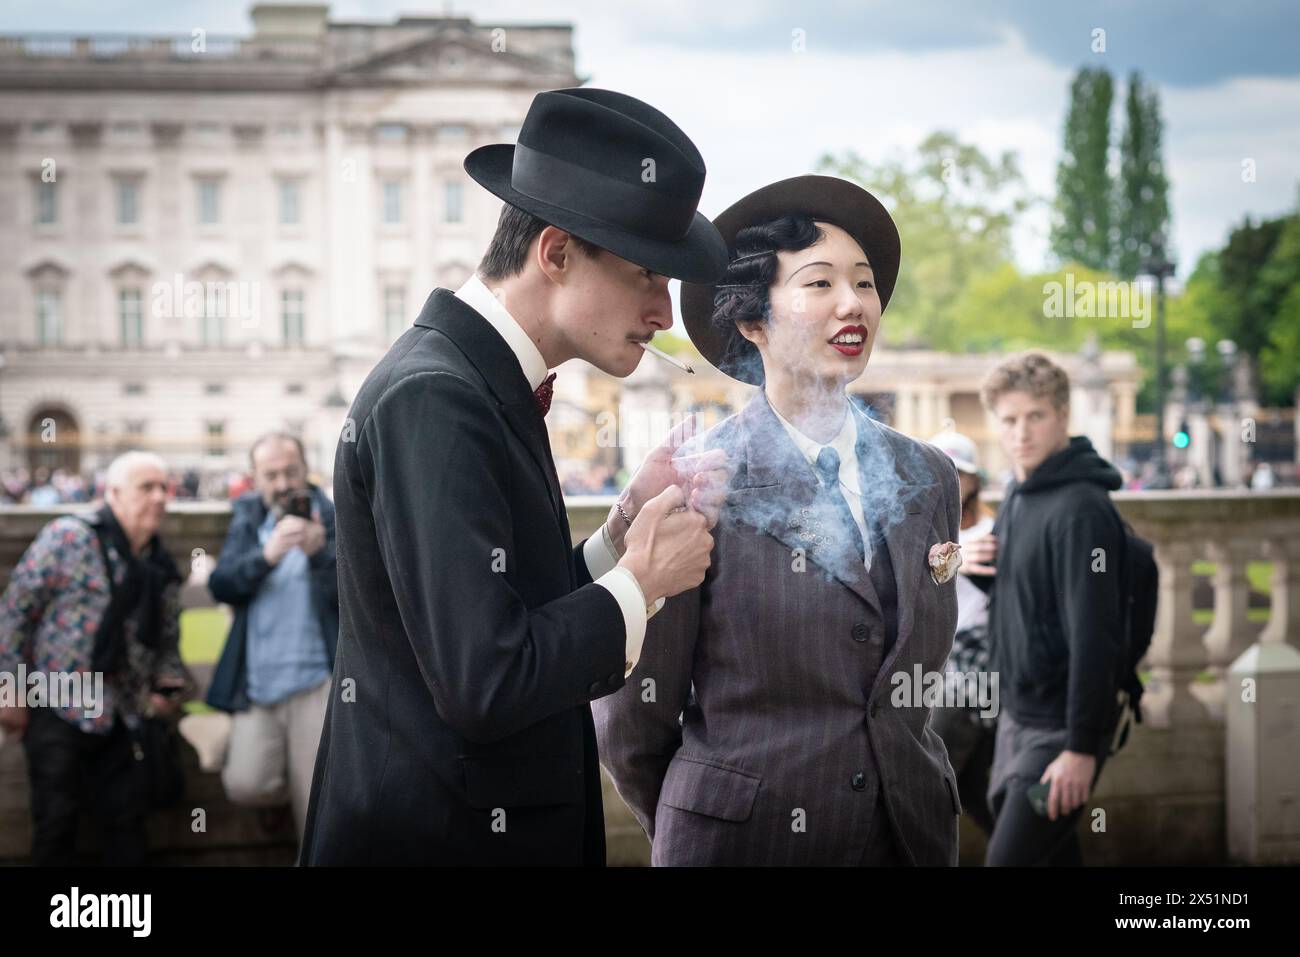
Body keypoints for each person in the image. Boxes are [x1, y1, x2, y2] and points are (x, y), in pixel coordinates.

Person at [300, 88, 729, 866]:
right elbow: (486, 680)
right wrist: (640, 583)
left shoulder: (475, 375)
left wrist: (618, 536)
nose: (664, 312)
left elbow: (502, 610)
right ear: (556, 252)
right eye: (645, 275)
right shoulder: (436, 393)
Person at [593, 175, 964, 866]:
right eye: (819, 284)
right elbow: (632, 722)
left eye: (864, 283)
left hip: (909, 842)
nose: (853, 303)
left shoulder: (930, 476)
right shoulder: (701, 480)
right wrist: (700, 817)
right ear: (752, 320)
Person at [0, 451, 193, 865]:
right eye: (147, 487)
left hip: (124, 716)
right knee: (56, 826)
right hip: (56, 706)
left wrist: (167, 688)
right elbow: (16, 611)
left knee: (128, 833)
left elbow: (167, 647)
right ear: (114, 494)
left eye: (165, 488)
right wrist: (8, 689)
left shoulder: (160, 564)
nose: (160, 497)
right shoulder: (69, 536)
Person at [978, 352, 1127, 866]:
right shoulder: (1020, 491)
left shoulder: (1082, 509)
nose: (1021, 432)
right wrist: (974, 563)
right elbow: (1023, 594)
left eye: (1035, 416)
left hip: (1060, 730)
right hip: (1017, 717)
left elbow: (1095, 635)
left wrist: (1082, 748)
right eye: (1010, 420)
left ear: (1062, 416)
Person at [205, 432, 338, 849]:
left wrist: (321, 554)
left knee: (318, 808)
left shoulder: (332, 515)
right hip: (258, 684)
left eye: (290, 472)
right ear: (256, 479)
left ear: (305, 469)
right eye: (271, 475)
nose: (282, 484)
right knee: (247, 784)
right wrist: (265, 558)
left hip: (319, 682)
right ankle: (274, 802)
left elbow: (361, 592)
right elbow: (222, 585)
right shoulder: (247, 518)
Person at [926, 429, 998, 838]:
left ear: (975, 480)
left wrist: (958, 561)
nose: (951, 479)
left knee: (934, 779)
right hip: (933, 668)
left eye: (960, 472)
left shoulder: (988, 532)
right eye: (943, 468)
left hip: (973, 673)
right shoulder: (918, 527)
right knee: (972, 788)